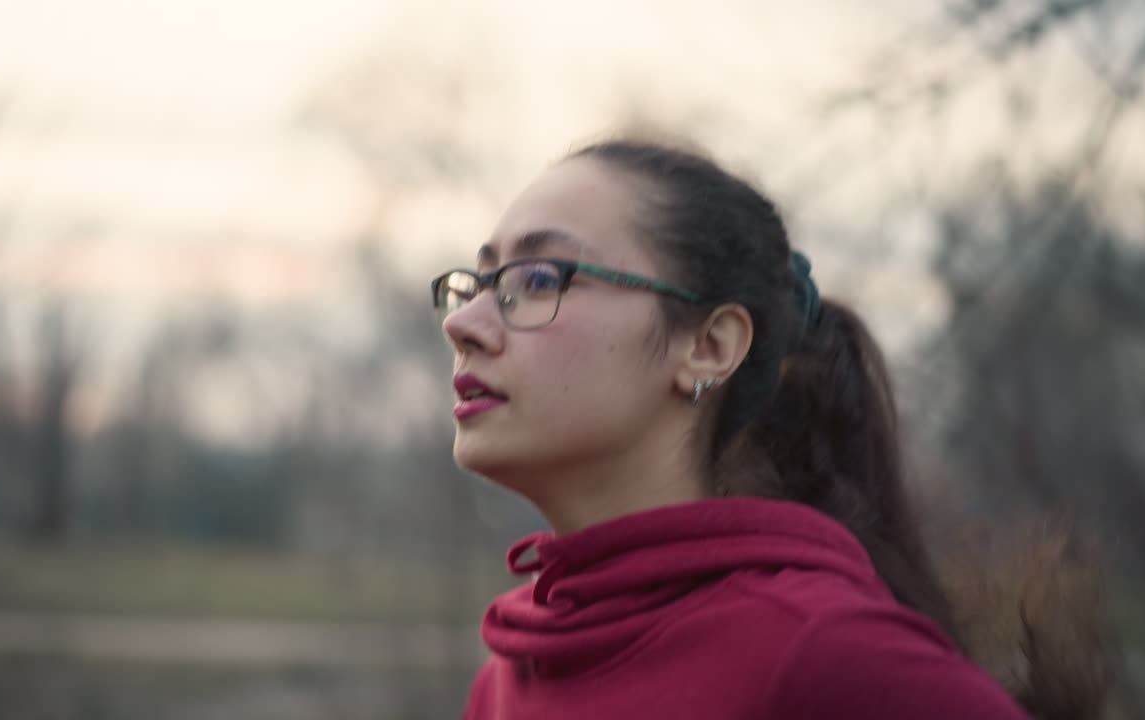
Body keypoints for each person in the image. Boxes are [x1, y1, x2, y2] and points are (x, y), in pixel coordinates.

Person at [430, 138, 1110, 719]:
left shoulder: (821, 653)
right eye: (480, 283)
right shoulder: (508, 676)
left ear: (710, 346)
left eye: (541, 277)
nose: (463, 324)